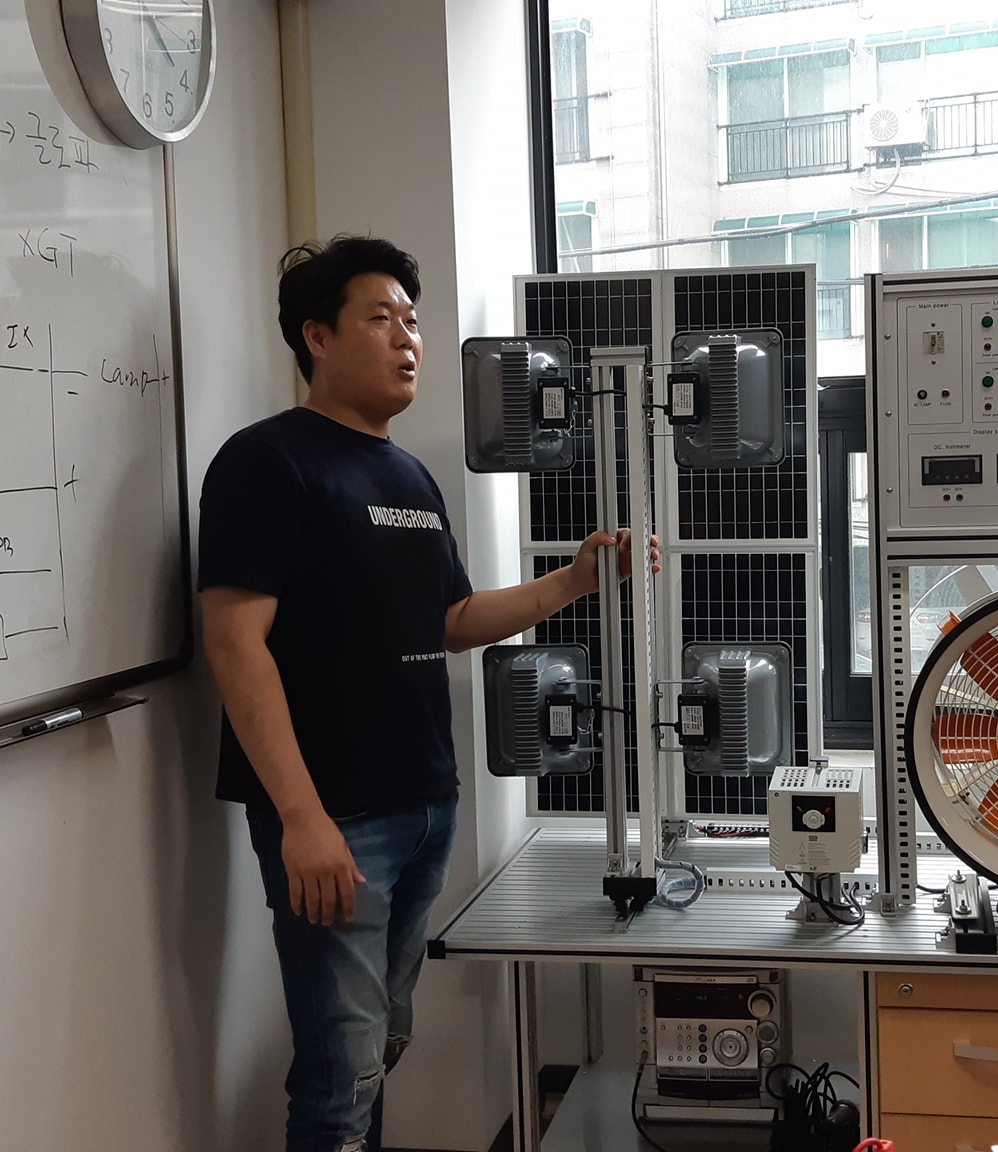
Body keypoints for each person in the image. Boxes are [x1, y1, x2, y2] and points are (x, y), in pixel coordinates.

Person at [198, 235, 649, 1152]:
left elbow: (449, 620)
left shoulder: (408, 475)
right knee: (339, 1074)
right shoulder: (267, 461)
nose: (408, 338)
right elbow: (235, 644)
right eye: (381, 318)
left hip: (425, 806)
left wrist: (574, 581)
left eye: (412, 320)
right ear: (317, 336)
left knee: (379, 1047)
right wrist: (302, 818)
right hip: (336, 819)